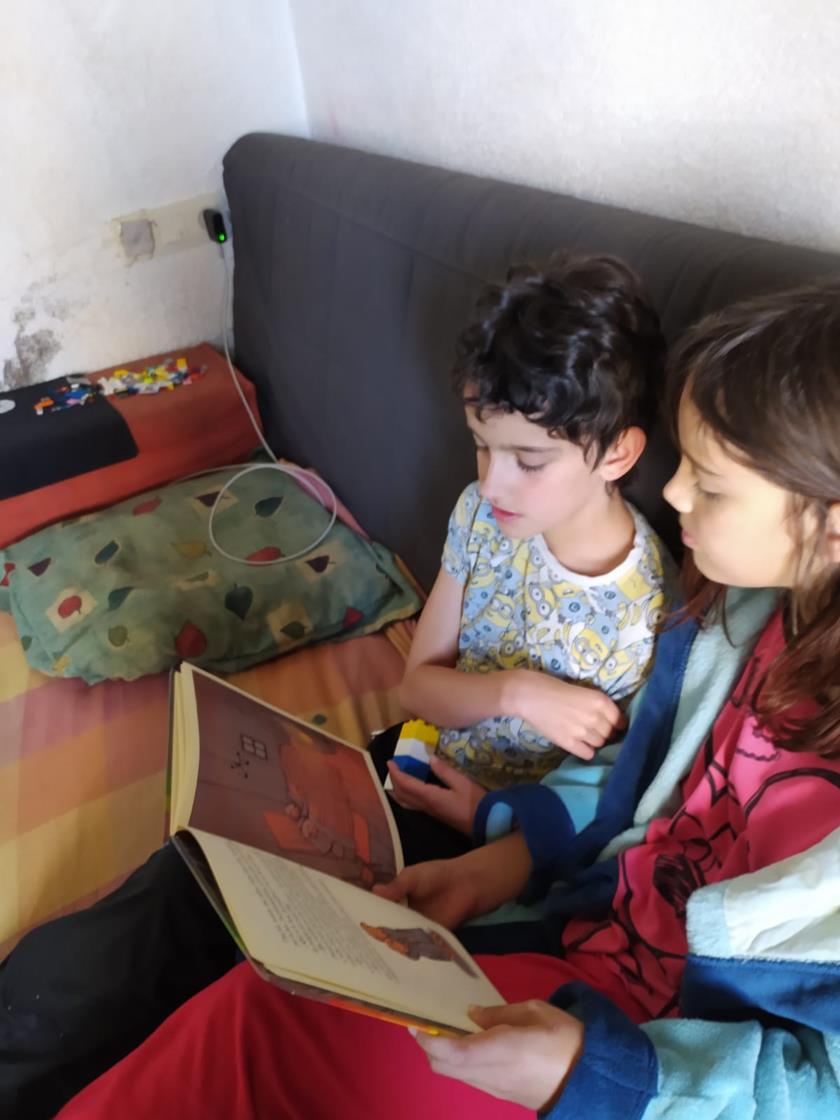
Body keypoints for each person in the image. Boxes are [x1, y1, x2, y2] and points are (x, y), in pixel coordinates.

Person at [54, 277, 840, 1120]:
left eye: (710, 484)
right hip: (536, 887)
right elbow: (631, 786)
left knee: (269, 1016)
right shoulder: (734, 613)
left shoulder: (658, 597)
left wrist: (597, 1074)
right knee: (210, 902)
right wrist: (489, 868)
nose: (674, 492)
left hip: (646, 1054)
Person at [379, 253, 678, 859]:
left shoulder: (648, 615)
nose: (491, 484)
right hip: (419, 756)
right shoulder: (480, 516)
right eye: (482, 446)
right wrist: (516, 692)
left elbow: (607, 807)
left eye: (529, 461)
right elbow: (417, 688)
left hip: (504, 840)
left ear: (617, 456)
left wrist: (488, 820)